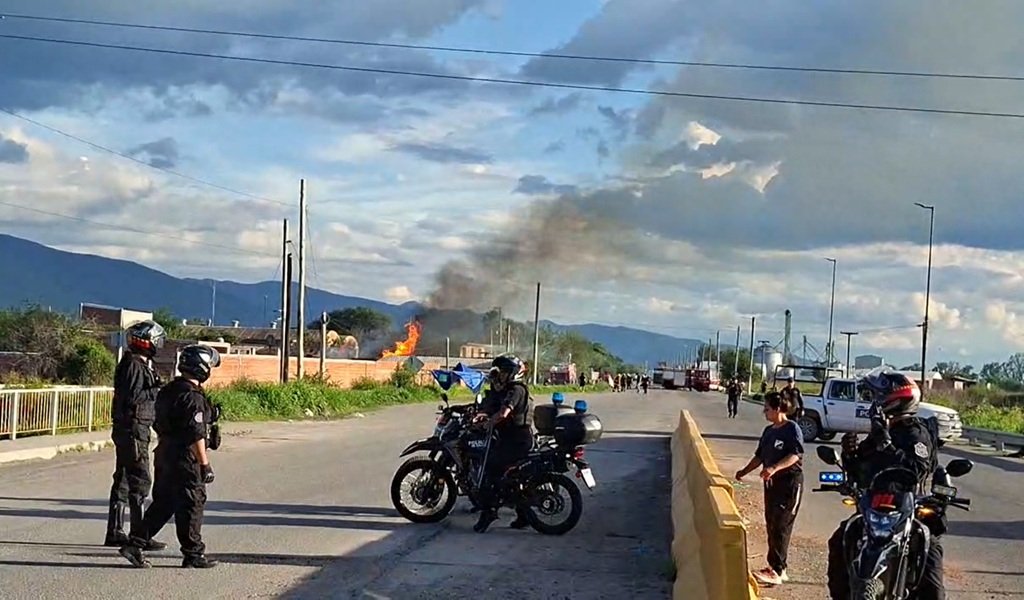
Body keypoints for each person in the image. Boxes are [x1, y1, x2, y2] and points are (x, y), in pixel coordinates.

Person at [826, 370, 943, 600]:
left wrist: (886, 443)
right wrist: (849, 454)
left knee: (930, 548)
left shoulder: (916, 434)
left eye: (880, 396)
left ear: (897, 399)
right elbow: (859, 472)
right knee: (841, 537)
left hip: (906, 508)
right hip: (874, 506)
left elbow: (915, 471)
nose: (875, 402)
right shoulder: (882, 431)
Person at [120, 344, 221, 569]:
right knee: (192, 504)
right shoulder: (192, 397)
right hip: (185, 458)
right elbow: (195, 434)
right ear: (202, 367)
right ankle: (193, 554)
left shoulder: (169, 390)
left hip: (165, 453)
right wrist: (205, 464)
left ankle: (135, 543)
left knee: (164, 503)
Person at [105, 320, 167, 550]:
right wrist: (154, 390)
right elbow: (132, 398)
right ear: (145, 341)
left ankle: (116, 531)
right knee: (140, 481)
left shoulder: (138, 364)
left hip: (130, 428)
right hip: (133, 429)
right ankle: (139, 535)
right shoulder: (133, 365)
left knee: (122, 479)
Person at [735, 392, 804, 587]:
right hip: (771, 486)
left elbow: (795, 455)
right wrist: (744, 471)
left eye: (766, 408)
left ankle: (778, 570)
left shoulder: (792, 429)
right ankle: (775, 566)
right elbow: (759, 457)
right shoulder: (769, 432)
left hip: (789, 484)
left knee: (782, 525)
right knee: (771, 524)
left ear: (777, 409)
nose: (764, 412)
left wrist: (774, 468)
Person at [471, 355, 534, 533]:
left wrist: (488, 423)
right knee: (513, 478)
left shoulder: (517, 390)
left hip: (517, 440)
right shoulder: (504, 389)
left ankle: (489, 512)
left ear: (513, 373)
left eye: (505, 372)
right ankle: (523, 515)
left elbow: (504, 413)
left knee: (491, 472)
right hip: (510, 438)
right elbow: (492, 404)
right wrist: (480, 413)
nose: (501, 375)